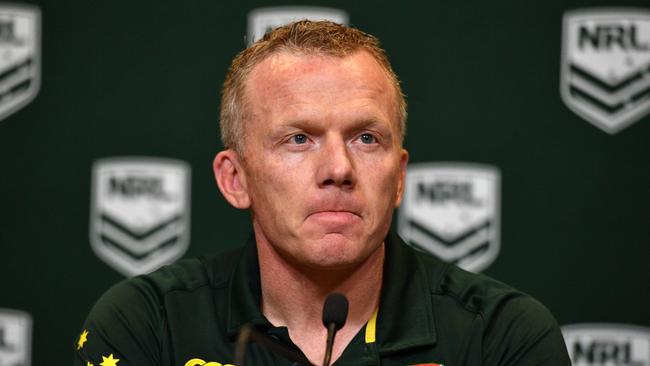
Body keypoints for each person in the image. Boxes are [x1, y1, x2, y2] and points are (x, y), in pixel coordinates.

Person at [73, 20, 571, 366]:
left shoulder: (501, 337)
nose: (339, 168)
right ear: (235, 179)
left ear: (398, 178)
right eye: (299, 139)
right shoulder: (149, 325)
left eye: (366, 138)